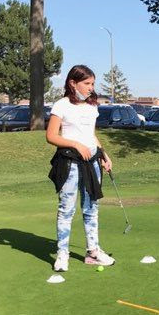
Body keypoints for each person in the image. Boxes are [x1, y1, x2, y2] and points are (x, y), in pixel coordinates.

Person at [47, 65, 116, 272]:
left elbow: (91, 135)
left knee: (91, 208)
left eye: (92, 84)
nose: (90, 88)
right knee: (66, 209)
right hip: (70, 163)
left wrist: (103, 154)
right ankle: (62, 254)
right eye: (86, 83)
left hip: (92, 162)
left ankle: (93, 252)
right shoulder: (61, 105)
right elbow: (51, 136)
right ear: (72, 83)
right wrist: (76, 145)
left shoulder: (92, 106)